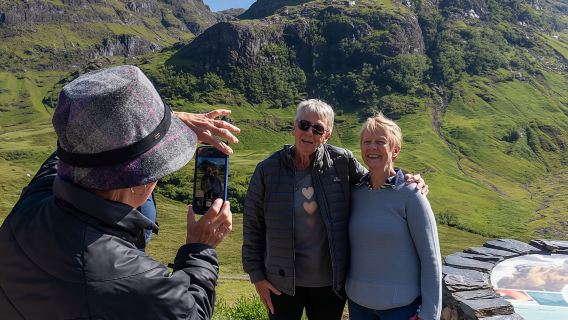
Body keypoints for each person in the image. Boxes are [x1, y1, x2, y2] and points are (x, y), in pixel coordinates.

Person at [0, 65, 240, 319]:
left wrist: (163, 125)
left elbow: (75, 149)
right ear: (137, 182)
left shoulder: (35, 199)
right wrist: (200, 249)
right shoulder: (137, 280)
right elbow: (190, 314)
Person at [242, 99, 427, 320]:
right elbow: (253, 225)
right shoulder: (267, 170)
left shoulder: (341, 161)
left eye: (318, 128)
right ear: (293, 127)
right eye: (304, 125)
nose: (309, 132)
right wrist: (257, 277)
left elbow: (375, 180)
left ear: (327, 135)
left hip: (330, 285)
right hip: (281, 282)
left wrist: (407, 179)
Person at [346, 113, 441, 320]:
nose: (372, 147)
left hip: (401, 309)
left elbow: (430, 257)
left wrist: (429, 313)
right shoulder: (354, 192)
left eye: (380, 142)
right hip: (358, 304)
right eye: (367, 142)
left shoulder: (412, 195)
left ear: (395, 150)